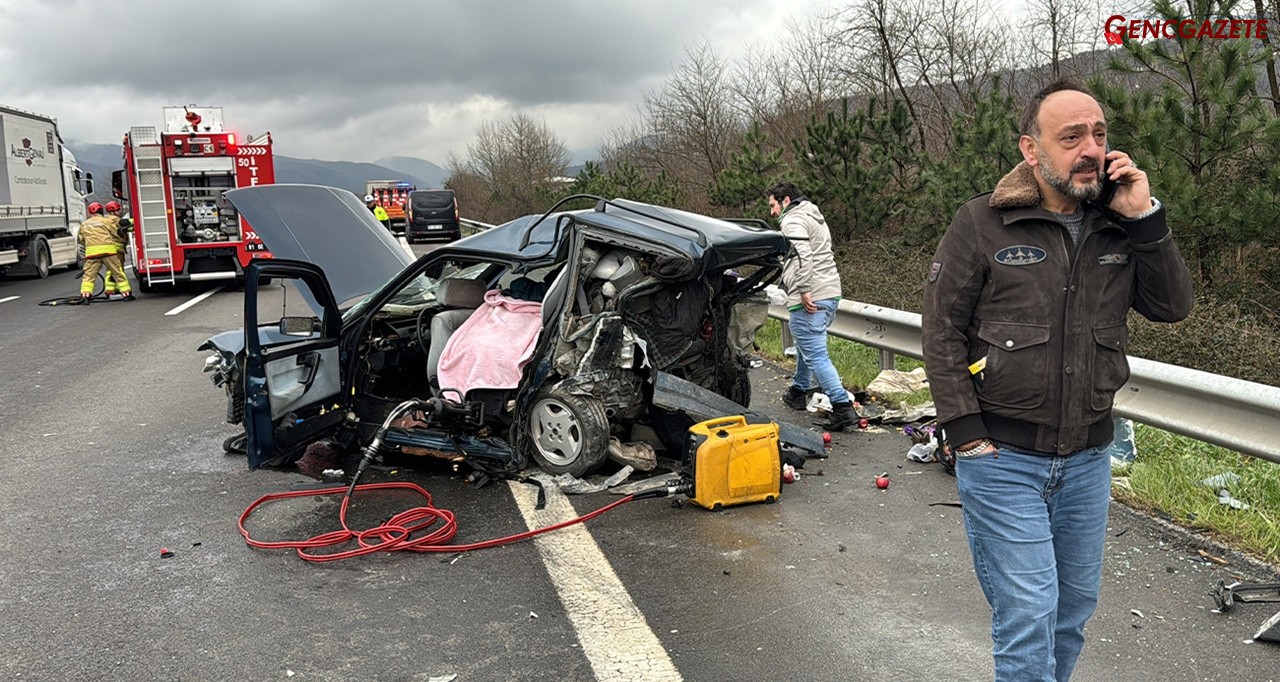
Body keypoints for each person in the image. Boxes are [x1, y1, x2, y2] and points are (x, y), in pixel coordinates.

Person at [921, 78, 1193, 681]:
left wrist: (1146, 218)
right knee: (1029, 611)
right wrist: (967, 435)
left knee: (1070, 613)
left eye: (1098, 134)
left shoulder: (1120, 225)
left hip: (1088, 459)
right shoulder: (983, 223)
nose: (1090, 148)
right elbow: (941, 331)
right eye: (1071, 137)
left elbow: (1172, 307)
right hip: (1001, 457)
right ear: (1031, 149)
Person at [767, 181, 855, 431]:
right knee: (808, 343)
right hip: (830, 292)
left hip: (812, 294)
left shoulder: (792, 219)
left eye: (773, 205)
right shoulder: (814, 216)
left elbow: (802, 255)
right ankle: (799, 389)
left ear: (785, 201)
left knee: (816, 353)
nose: (772, 212)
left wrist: (803, 290)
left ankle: (841, 407)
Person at [78, 201, 134, 304]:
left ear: (90, 213)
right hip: (109, 252)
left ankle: (85, 295)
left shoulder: (84, 224)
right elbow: (115, 233)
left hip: (92, 253)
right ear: (101, 211)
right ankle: (126, 294)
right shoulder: (106, 221)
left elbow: (81, 239)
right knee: (117, 272)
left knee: (89, 276)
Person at [101, 201, 131, 298]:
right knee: (115, 269)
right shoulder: (114, 219)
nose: (120, 211)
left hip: (111, 248)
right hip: (116, 249)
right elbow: (128, 223)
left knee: (113, 269)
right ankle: (111, 290)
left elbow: (124, 228)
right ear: (113, 211)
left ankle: (114, 288)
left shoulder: (106, 220)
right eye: (118, 209)